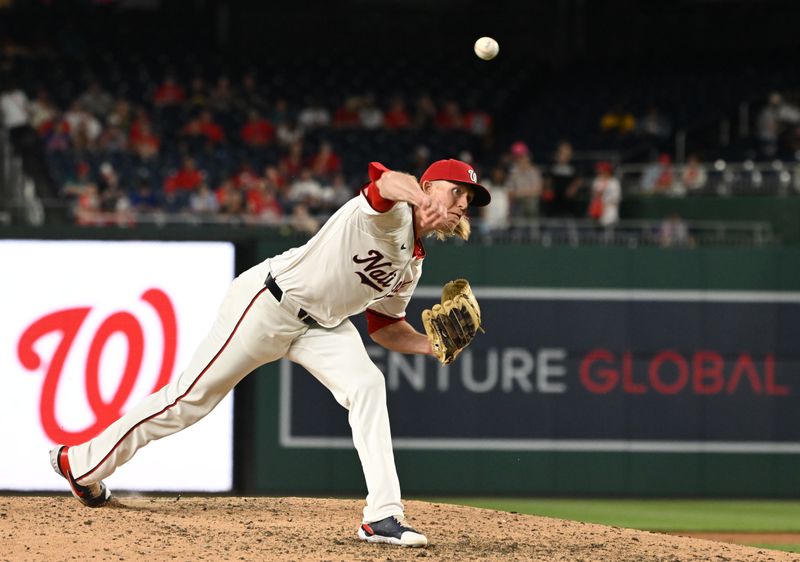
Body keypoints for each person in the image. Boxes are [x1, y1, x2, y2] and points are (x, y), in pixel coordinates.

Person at [49, 158, 491, 548]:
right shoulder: (388, 213)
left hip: (322, 326)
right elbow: (386, 179)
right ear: (430, 188)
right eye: (455, 191)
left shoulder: (413, 263)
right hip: (268, 303)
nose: (461, 204)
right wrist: (416, 196)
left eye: (468, 199)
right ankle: (80, 463)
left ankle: (382, 516)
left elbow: (386, 328)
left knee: (368, 385)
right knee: (187, 402)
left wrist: (430, 346)